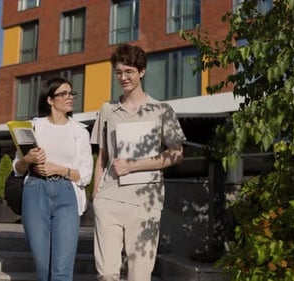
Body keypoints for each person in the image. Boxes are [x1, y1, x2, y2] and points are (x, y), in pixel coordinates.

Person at [90, 43, 186, 281]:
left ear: (141, 71)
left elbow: (177, 154)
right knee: (106, 274)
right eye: (119, 72)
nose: (123, 77)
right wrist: (96, 197)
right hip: (109, 199)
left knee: (140, 275)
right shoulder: (107, 110)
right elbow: (102, 157)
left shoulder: (162, 110)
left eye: (129, 72)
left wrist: (133, 165)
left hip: (145, 202)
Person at [13, 77, 93, 281]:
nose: (70, 98)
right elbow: (18, 169)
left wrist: (58, 168)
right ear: (50, 100)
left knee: (62, 268)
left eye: (71, 93)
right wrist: (28, 158)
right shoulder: (33, 127)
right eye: (63, 94)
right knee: (42, 266)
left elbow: (85, 175)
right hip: (35, 191)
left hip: (67, 194)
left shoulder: (80, 131)